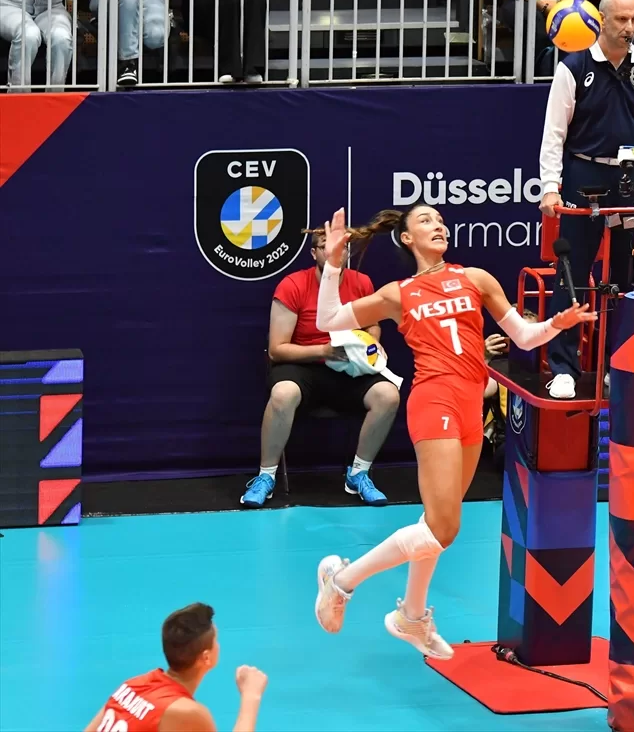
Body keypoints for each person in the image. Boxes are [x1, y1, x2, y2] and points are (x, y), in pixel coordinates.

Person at [310, 204, 594, 657]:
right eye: (425, 220)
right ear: (406, 238)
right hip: (434, 398)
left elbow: (524, 336)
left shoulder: (475, 278)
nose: (438, 225)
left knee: (436, 524)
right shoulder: (398, 293)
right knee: (444, 528)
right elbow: (328, 321)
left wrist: (554, 326)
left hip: (470, 403)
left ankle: (411, 616)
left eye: (440, 220)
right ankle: (342, 581)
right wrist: (333, 266)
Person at [538, 0, 634, 399]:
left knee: (625, 277)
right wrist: (550, 187)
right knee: (573, 272)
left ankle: (618, 364)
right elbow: (554, 134)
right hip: (585, 176)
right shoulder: (573, 67)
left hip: (631, 181)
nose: (629, 27)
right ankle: (564, 367)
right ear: (601, 20)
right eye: (621, 19)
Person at [241, 229, 399, 508]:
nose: (335, 251)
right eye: (326, 246)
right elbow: (277, 349)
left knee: (388, 395)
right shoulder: (293, 285)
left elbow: (373, 325)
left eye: (341, 246)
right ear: (314, 253)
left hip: (349, 367)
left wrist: (372, 343)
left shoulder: (361, 282)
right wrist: (323, 351)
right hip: (303, 365)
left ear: (347, 253)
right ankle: (265, 477)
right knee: (283, 393)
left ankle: (358, 474)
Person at [83, 603, 268, 732]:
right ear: (206, 657)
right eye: (216, 640)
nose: (218, 645)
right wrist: (250, 696)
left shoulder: (132, 685)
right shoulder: (187, 713)